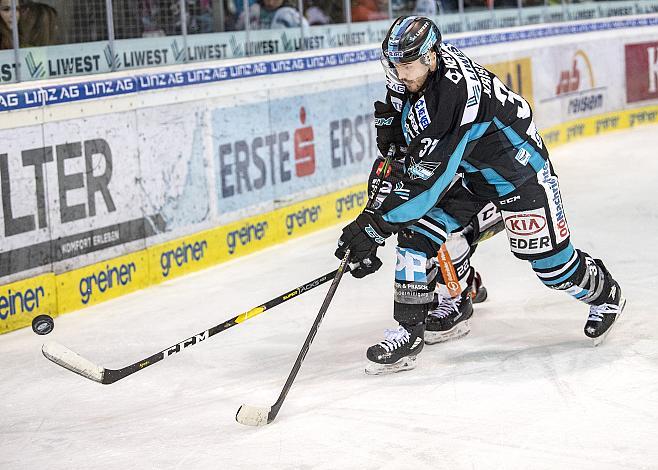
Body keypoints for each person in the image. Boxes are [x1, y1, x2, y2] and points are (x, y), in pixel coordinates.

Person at [335, 16, 626, 375]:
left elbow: (426, 182)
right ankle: (409, 332)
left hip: (517, 176)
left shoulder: (455, 96)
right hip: (469, 175)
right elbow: (401, 140)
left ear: (430, 57)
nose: (400, 74)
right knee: (417, 234)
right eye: (394, 65)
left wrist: (373, 226)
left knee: (552, 267)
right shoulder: (414, 72)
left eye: (406, 66)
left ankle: (605, 294)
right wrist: (392, 131)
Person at [235, 0, 308, 30]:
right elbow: (237, 31)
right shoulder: (251, 12)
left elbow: (306, 33)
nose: (271, 3)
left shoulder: (291, 14)